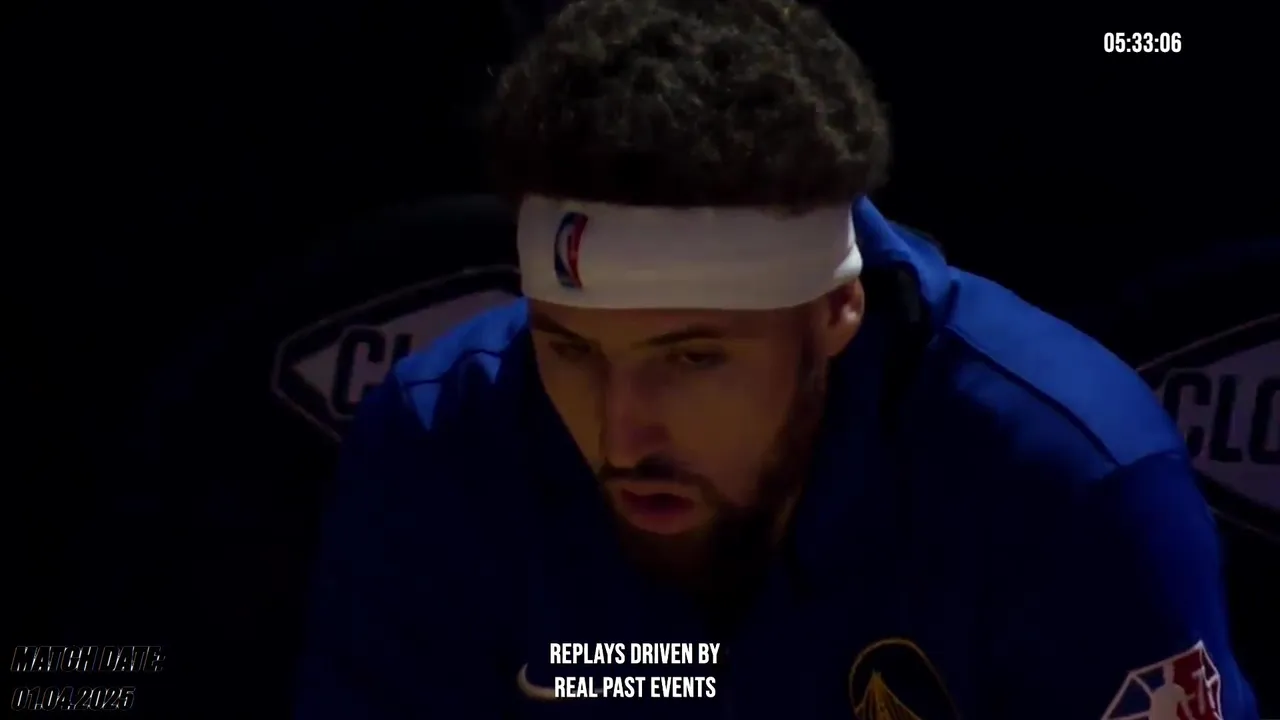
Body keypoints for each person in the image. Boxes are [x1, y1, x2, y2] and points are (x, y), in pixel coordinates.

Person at [292, 0, 1258, 718]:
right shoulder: (439, 439)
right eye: (571, 349)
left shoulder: (1070, 480)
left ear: (838, 311)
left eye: (692, 358)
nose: (621, 434)